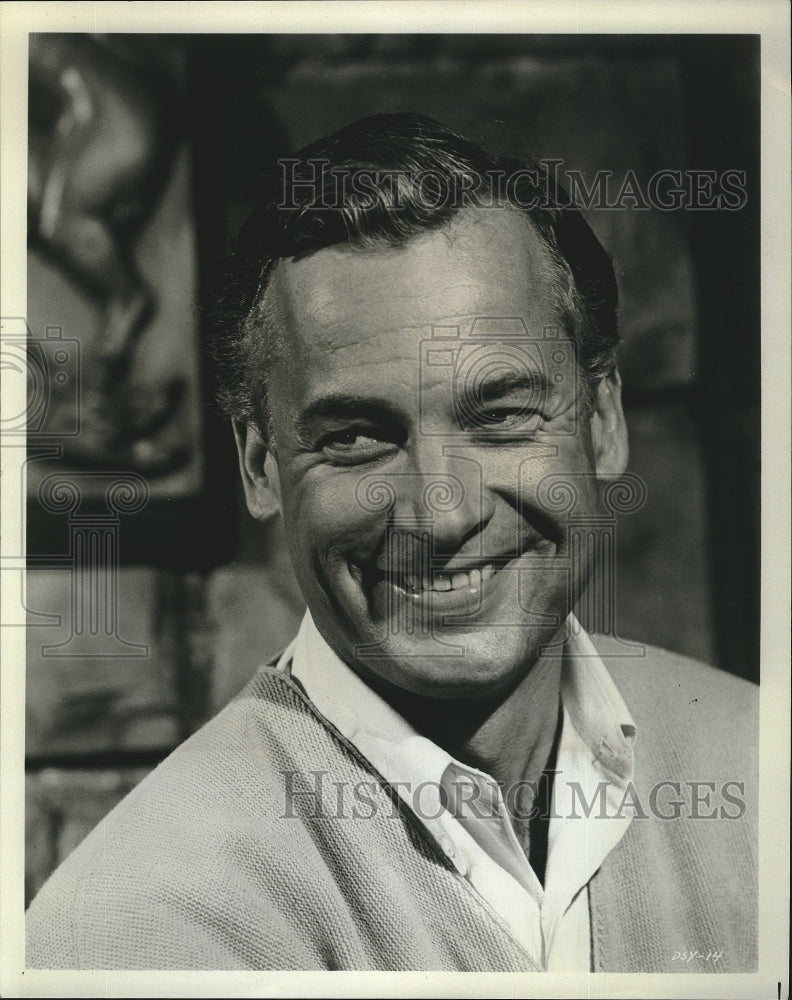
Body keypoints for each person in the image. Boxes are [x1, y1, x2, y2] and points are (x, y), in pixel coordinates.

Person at [26, 112, 757, 972]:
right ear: (260, 467)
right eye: (356, 437)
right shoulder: (138, 927)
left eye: (503, 416)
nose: (443, 516)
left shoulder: (759, 763)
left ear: (602, 422)